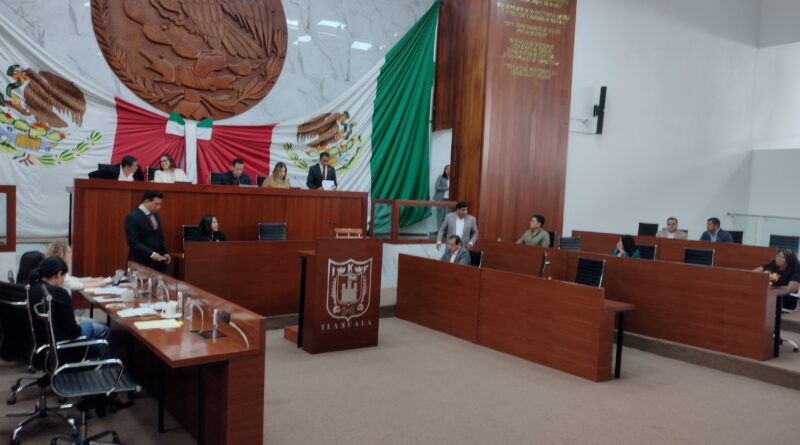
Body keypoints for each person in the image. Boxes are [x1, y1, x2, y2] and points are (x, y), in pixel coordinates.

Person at [27, 256, 110, 356]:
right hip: (62, 347)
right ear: (59, 274)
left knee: (93, 331)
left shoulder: (33, 288)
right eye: (64, 276)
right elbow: (74, 332)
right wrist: (76, 322)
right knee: (101, 331)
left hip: (42, 345)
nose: (63, 280)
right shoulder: (60, 293)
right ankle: (107, 362)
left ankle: (91, 357)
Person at [125, 190, 170, 273]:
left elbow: (160, 236)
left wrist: (165, 252)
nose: (159, 207)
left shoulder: (155, 215)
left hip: (157, 263)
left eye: (160, 204)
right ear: (147, 201)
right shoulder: (133, 217)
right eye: (156, 204)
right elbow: (133, 243)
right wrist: (152, 254)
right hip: (140, 262)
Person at [44, 242, 109, 291]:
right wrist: (99, 284)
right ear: (61, 254)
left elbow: (72, 279)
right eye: (69, 252)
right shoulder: (57, 268)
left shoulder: (56, 265)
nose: (71, 254)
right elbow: (72, 285)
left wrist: (94, 279)